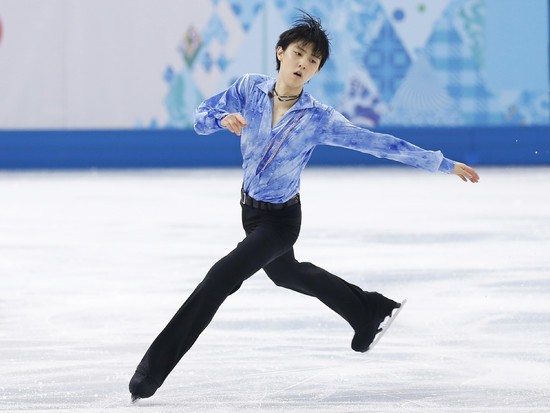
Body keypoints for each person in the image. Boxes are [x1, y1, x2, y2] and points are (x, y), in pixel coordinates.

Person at [129, 11, 479, 402]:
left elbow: (378, 143)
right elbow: (200, 117)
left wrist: (441, 163)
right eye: (298, 53)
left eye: (313, 61)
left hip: (280, 221)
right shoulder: (248, 89)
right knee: (286, 274)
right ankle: (368, 310)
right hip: (250, 211)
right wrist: (221, 118)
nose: (303, 63)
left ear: (315, 72)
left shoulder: (319, 118)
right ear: (280, 53)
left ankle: (149, 374)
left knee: (219, 278)